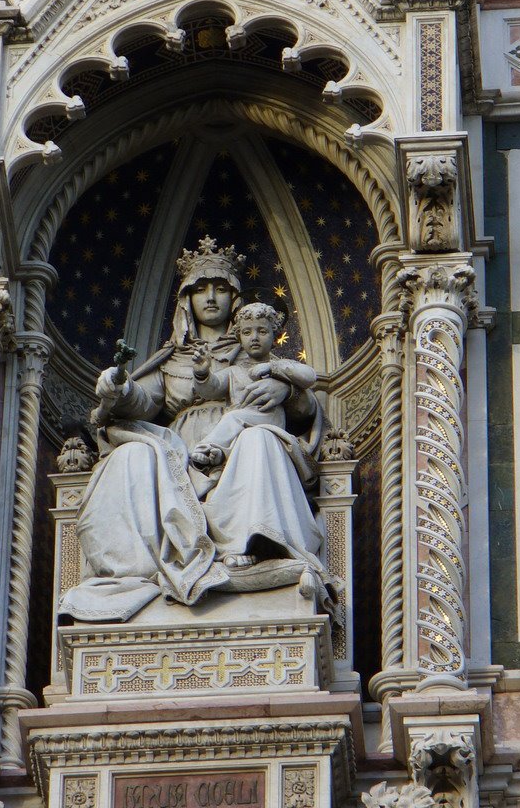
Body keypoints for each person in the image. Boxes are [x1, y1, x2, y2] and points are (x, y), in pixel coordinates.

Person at [58, 236, 329, 623]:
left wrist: (283, 387)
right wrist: (118, 387)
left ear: (235, 300)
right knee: (130, 455)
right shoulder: (171, 359)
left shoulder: (256, 353)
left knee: (258, 440)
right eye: (201, 289)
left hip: (236, 449)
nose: (212, 297)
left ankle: (251, 547)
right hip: (178, 450)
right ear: (186, 300)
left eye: (221, 288)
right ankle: (133, 572)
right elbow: (142, 403)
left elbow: (303, 411)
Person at [190, 302, 317, 475]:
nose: (254, 337)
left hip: (270, 418)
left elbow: (309, 376)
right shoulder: (233, 371)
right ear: (240, 339)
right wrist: (202, 373)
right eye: (247, 332)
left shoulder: (280, 366)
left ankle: (207, 447)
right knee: (236, 427)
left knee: (232, 418)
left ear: (275, 336)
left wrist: (274, 368)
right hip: (244, 425)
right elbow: (211, 389)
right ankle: (217, 455)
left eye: (262, 331)